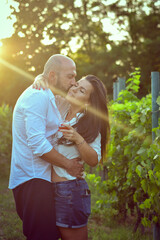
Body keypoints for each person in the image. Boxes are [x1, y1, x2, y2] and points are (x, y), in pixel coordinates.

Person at [8, 54, 84, 240]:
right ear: (52, 76)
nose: (73, 82)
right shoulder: (37, 97)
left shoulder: (51, 96)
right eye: (70, 76)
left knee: (48, 234)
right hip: (32, 180)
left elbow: (85, 93)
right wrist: (69, 164)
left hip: (41, 179)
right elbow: (38, 145)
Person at [34, 74, 110, 240]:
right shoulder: (60, 107)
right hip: (46, 188)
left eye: (81, 90)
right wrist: (39, 78)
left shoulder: (89, 124)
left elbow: (93, 160)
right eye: (76, 85)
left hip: (69, 191)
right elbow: (47, 82)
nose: (74, 89)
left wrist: (77, 138)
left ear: (88, 102)